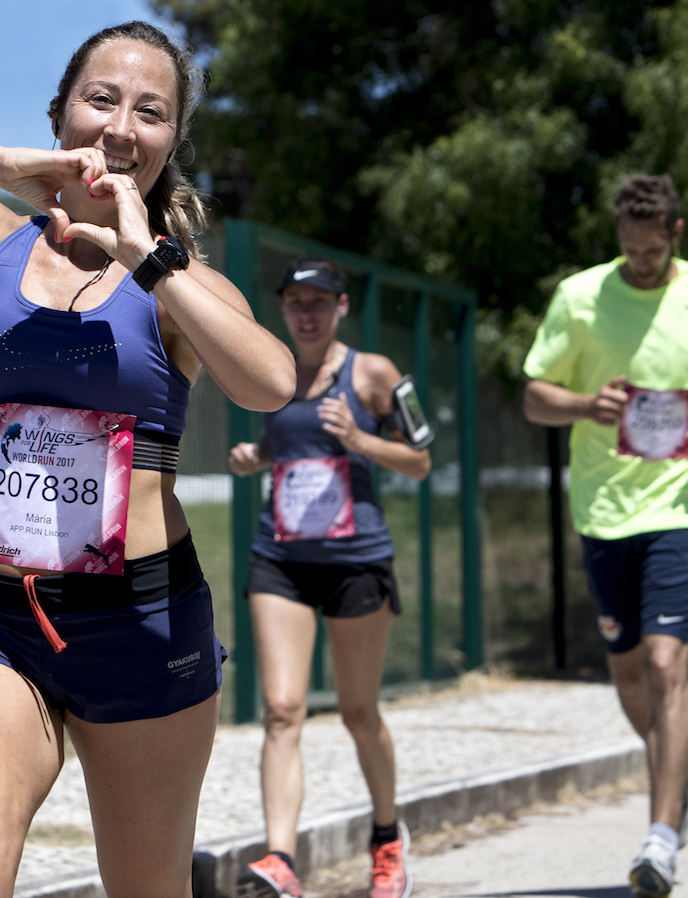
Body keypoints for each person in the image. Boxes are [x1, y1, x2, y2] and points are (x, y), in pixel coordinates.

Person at [0, 21, 295, 898]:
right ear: (61, 111)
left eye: (152, 112)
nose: (121, 125)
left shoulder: (181, 284)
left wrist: (151, 260)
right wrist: (4, 165)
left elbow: (270, 382)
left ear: (171, 143)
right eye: (101, 98)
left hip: (143, 626)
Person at [521, 174, 688, 897]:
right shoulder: (580, 296)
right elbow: (535, 394)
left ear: (676, 232)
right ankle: (679, 756)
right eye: (628, 251)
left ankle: (661, 837)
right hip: (605, 510)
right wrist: (583, 403)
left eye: (650, 250)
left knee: (668, 662)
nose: (639, 262)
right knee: (631, 674)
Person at [228, 258, 431, 898]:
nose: (305, 313)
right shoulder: (274, 370)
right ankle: (280, 860)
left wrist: (363, 442)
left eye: (318, 302)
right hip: (281, 557)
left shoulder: (372, 373)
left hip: (355, 562)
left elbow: (422, 460)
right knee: (282, 709)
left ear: (341, 307)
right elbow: (288, 446)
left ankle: (387, 837)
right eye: (294, 302)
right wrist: (256, 456)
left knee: (357, 710)